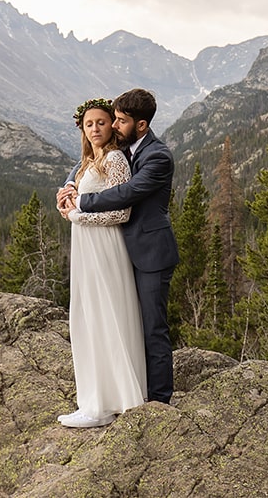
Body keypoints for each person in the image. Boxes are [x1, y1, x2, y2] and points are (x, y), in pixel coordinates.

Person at [58, 88, 179, 406]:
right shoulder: (123, 146)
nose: (111, 126)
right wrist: (71, 183)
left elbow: (126, 193)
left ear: (140, 125)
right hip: (118, 249)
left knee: (152, 327)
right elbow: (90, 157)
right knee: (125, 321)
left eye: (119, 121)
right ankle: (131, 388)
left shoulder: (158, 157)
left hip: (150, 252)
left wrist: (79, 204)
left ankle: (160, 399)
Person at [57, 97, 147, 429]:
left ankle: (106, 404)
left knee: (104, 316)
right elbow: (76, 199)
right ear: (82, 128)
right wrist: (67, 202)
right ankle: (93, 399)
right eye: (89, 124)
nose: (95, 128)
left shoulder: (115, 160)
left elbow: (121, 212)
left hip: (104, 245)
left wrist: (77, 217)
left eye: (101, 122)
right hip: (85, 245)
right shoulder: (86, 161)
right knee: (87, 316)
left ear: (112, 125)